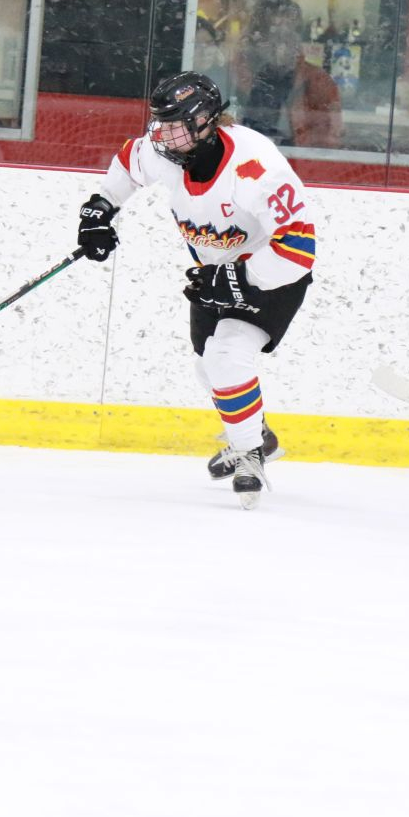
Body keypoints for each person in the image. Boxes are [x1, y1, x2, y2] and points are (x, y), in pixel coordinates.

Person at [74, 71, 316, 509]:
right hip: (214, 271)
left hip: (273, 274)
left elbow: (298, 249)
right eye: (160, 123)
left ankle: (250, 452)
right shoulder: (169, 149)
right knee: (208, 366)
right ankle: (257, 432)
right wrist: (100, 209)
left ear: (205, 121)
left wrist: (241, 278)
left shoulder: (256, 167)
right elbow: (129, 162)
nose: (161, 135)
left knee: (227, 357)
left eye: (174, 124)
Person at [232, 0, 342, 149]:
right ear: (255, 36)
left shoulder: (318, 82)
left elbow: (327, 144)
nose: (281, 40)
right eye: (272, 30)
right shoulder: (232, 76)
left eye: (290, 31)